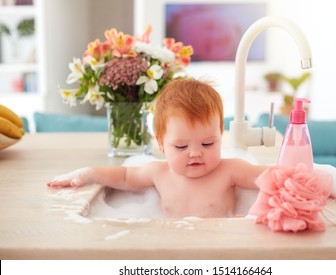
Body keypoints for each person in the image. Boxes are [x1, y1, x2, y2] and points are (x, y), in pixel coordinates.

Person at [47, 78, 268, 218]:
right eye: (181, 146)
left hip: (217, 247)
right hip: (170, 245)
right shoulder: (159, 173)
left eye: (208, 143)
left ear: (221, 136)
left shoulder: (231, 170)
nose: (195, 153)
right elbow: (124, 176)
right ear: (161, 143)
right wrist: (88, 174)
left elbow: (270, 177)